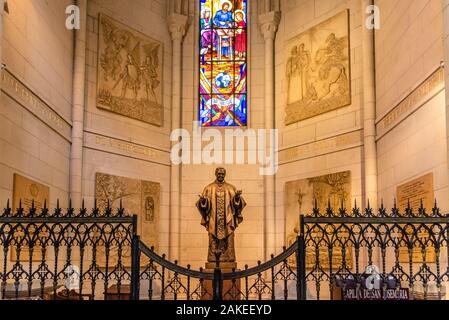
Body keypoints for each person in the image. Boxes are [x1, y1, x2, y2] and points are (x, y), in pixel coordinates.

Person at [196, 168, 246, 265]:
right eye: (219, 174)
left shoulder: (231, 188)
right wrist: (203, 201)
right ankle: (213, 258)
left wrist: (236, 198)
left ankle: (229, 258)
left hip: (227, 221)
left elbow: (236, 205)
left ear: (225, 175)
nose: (221, 176)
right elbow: (204, 205)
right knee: (213, 240)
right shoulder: (208, 188)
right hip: (214, 221)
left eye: (222, 174)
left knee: (229, 239)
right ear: (215, 174)